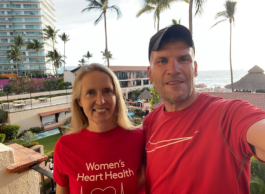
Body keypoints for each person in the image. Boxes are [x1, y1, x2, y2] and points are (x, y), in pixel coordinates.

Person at [143, 24, 265, 194]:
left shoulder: (228, 115)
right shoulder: (149, 123)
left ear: (195, 69)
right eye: (162, 61)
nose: (173, 69)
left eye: (183, 59)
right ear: (149, 73)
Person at [53, 63, 145, 194]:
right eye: (90, 93)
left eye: (107, 91)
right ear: (79, 100)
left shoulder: (138, 139)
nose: (100, 101)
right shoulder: (65, 147)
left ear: (116, 97)